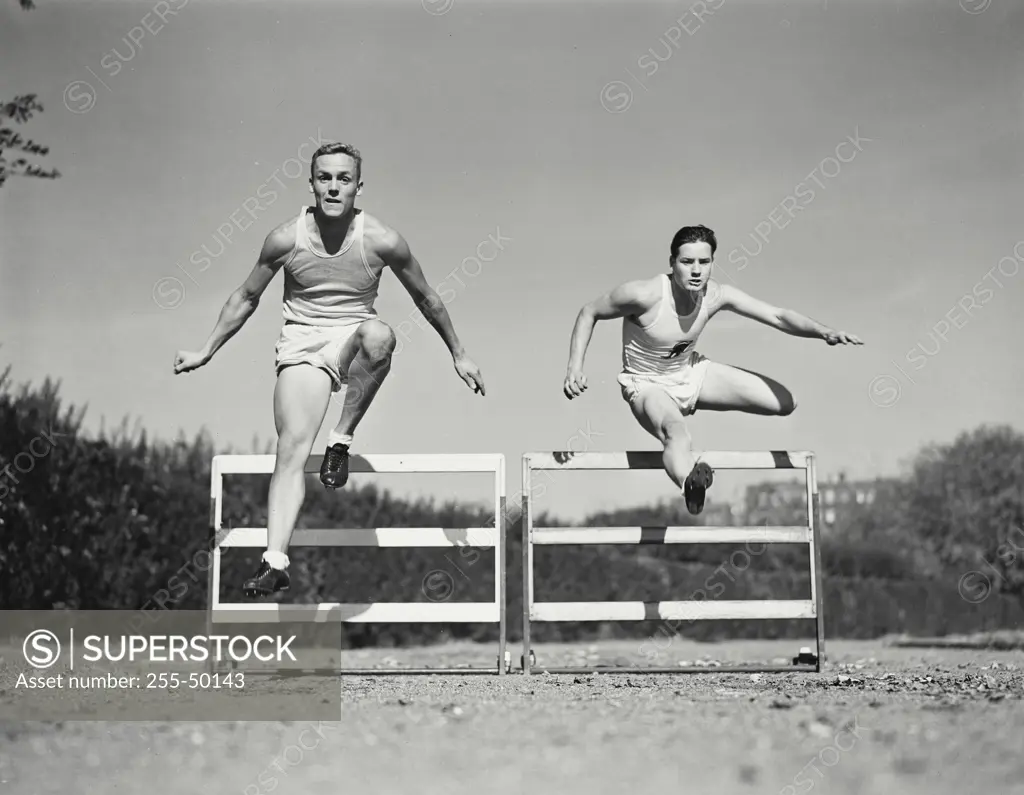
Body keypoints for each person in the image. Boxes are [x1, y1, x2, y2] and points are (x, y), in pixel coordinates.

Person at [173, 142, 486, 597]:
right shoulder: (285, 238)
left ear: (358, 186)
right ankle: (274, 562)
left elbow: (426, 297)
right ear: (312, 183)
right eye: (324, 177)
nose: (333, 186)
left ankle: (341, 438)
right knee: (292, 449)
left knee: (381, 335)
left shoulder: (382, 239)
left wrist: (459, 352)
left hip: (353, 334)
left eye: (343, 178)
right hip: (301, 342)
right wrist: (207, 349)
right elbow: (245, 297)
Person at [562, 224, 861, 515]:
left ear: (712, 263)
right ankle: (690, 484)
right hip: (648, 385)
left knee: (785, 402)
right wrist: (574, 368)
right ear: (672, 262)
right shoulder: (643, 295)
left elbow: (779, 317)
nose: (696, 271)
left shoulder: (716, 295)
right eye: (687, 262)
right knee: (677, 433)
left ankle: (691, 466)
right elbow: (589, 311)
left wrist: (823, 331)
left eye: (704, 262)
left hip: (691, 373)